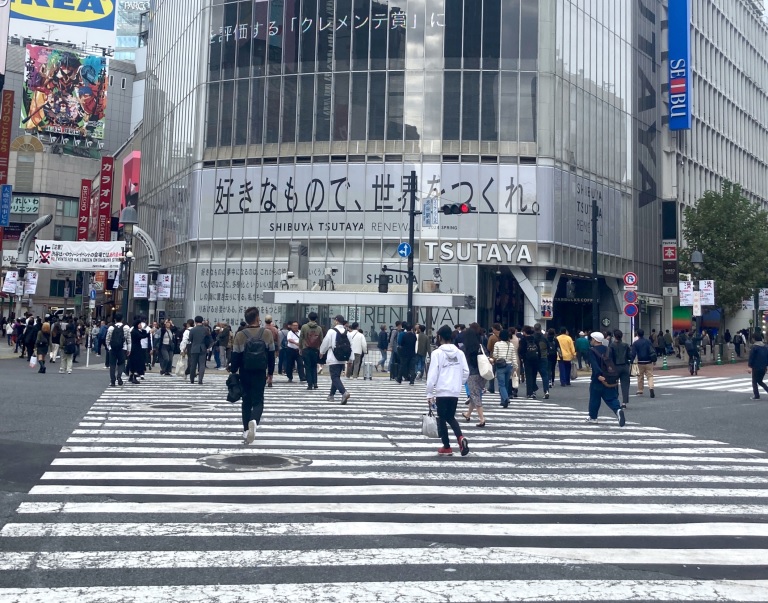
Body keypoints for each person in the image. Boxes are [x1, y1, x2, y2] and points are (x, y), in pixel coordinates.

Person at [230, 306, 275, 445]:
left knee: (246, 401)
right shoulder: (267, 333)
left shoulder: (240, 335)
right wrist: (271, 373)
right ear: (257, 318)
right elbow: (272, 355)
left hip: (244, 371)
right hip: (260, 371)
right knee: (258, 400)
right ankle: (254, 421)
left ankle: (245, 430)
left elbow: (235, 355)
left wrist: (234, 372)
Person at [426, 325, 470, 456]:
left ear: (439, 337)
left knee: (442, 417)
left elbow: (432, 374)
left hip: (442, 390)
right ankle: (460, 438)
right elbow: (466, 372)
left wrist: (429, 392)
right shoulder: (460, 353)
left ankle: (446, 446)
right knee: (450, 417)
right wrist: (458, 382)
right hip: (454, 391)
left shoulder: (437, 353)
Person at [585, 332, 626, 426]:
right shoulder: (608, 349)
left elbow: (594, 364)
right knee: (611, 398)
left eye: (592, 339)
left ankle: (593, 417)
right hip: (610, 377)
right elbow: (614, 362)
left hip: (598, 379)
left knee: (594, 398)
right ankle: (618, 410)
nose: (591, 341)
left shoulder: (592, 350)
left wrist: (598, 375)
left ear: (595, 340)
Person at [319, 315, 352, 404]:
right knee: (336, 376)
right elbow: (350, 346)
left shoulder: (331, 331)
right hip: (343, 358)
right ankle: (331, 395)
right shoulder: (347, 332)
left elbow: (325, 342)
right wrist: (350, 359)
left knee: (334, 377)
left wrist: (321, 351)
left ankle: (344, 392)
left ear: (336, 321)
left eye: (334, 320)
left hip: (333, 357)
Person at [461, 323, 486, 426]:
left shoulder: (465, 348)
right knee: (473, 394)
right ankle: (468, 414)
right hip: (482, 373)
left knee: (475, 395)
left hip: (471, 374)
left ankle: (482, 419)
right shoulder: (480, 346)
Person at [519, 325, 547, 400]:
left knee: (528, 376)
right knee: (534, 375)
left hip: (527, 360)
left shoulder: (523, 340)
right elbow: (539, 350)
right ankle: (534, 391)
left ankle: (530, 393)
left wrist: (522, 358)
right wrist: (538, 358)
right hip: (535, 359)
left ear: (524, 332)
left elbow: (521, 351)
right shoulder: (535, 339)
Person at [491, 329, 517, 407]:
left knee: (501, 384)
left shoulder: (497, 344)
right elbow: (513, 356)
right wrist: (515, 366)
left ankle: (506, 398)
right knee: (505, 384)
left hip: (500, 365)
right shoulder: (511, 345)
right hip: (509, 366)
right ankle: (503, 401)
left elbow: (495, 355)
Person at [299, 311, 323, 390]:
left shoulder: (304, 327)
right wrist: (321, 350)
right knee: (314, 366)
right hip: (315, 349)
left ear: (308, 318)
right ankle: (315, 383)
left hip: (306, 349)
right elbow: (321, 340)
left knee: (307, 366)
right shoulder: (319, 328)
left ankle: (309, 384)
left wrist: (300, 348)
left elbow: (301, 338)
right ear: (316, 318)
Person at [630, 329, 656, 398]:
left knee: (640, 376)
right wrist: (654, 360)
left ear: (637, 334)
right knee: (650, 376)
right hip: (649, 361)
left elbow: (633, 353)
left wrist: (631, 361)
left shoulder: (636, 343)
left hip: (640, 362)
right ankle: (651, 388)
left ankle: (640, 390)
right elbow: (653, 350)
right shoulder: (648, 341)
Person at [610, 329, 631, 409]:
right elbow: (629, 356)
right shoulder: (626, 345)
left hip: (615, 367)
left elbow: (610, 357)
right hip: (625, 366)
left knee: (614, 384)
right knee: (625, 385)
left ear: (614, 336)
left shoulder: (611, 345)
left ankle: (615, 400)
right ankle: (624, 402)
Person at [187, 315, 212, 385]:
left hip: (194, 348)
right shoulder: (206, 329)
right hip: (203, 348)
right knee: (202, 364)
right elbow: (210, 339)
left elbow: (190, 339)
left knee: (193, 364)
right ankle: (200, 379)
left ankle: (192, 379)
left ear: (195, 321)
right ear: (202, 321)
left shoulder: (192, 330)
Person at [748, 332, 768, 399]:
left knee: (754, 381)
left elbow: (751, 357)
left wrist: (749, 366)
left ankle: (756, 395)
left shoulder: (754, 347)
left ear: (754, 339)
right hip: (764, 367)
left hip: (756, 367)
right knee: (760, 381)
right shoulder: (765, 347)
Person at [127, 319, 148, 384]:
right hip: (135, 349)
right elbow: (142, 336)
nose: (141, 325)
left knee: (134, 362)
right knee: (136, 362)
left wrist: (145, 331)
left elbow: (143, 333)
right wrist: (149, 333)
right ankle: (134, 376)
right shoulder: (134, 331)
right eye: (139, 324)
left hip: (137, 348)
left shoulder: (136, 330)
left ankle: (131, 376)